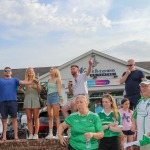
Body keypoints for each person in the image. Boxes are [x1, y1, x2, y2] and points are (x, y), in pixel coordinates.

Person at [0, 67, 32, 142]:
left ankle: (16, 136)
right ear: (4, 73)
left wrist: (30, 80)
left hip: (13, 102)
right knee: (4, 120)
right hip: (2, 102)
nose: (7, 72)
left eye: (9, 71)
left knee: (14, 119)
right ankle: (4, 137)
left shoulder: (15, 80)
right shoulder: (0, 80)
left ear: (11, 72)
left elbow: (23, 82)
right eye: (6, 71)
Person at [61, 59, 93, 137]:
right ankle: (70, 127)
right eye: (71, 69)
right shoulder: (72, 80)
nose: (72, 70)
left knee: (73, 103)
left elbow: (89, 72)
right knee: (63, 109)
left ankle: (72, 127)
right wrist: (69, 88)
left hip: (82, 96)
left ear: (77, 69)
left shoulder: (82, 76)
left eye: (73, 69)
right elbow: (72, 92)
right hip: (75, 96)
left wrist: (90, 65)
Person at [19, 67, 41, 140]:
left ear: (33, 72)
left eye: (31, 71)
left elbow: (39, 90)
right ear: (27, 72)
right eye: (29, 71)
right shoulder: (25, 81)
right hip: (27, 99)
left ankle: (36, 134)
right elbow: (19, 88)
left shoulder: (37, 80)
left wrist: (37, 84)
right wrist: (25, 92)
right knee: (29, 118)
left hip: (35, 99)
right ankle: (31, 134)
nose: (30, 72)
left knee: (36, 118)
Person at [45, 67, 63, 139]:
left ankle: (58, 133)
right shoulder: (49, 80)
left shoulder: (57, 79)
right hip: (49, 97)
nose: (50, 71)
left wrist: (60, 97)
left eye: (51, 70)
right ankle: (50, 133)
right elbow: (48, 90)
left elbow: (59, 89)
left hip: (55, 96)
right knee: (50, 115)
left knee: (56, 116)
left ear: (55, 71)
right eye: (49, 70)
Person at [131, 79, 150, 150]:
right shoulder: (140, 102)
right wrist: (133, 124)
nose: (144, 88)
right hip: (142, 138)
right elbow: (134, 115)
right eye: (142, 86)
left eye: (146, 86)